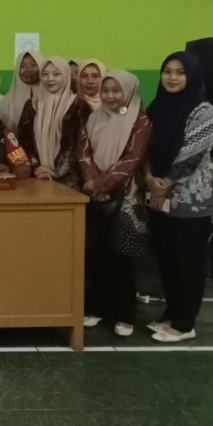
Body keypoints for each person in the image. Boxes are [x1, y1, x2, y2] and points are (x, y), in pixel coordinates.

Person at [143, 52, 213, 343]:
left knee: (189, 261)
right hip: (158, 195)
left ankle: (185, 323)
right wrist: (148, 178)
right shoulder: (156, 107)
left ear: (192, 76)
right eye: (167, 71)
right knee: (167, 258)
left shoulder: (204, 111)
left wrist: (165, 184)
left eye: (180, 72)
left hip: (190, 200)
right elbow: (144, 147)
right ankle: (172, 312)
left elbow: (191, 154)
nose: (172, 77)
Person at [78, 70, 152, 337]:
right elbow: (83, 152)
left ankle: (124, 315)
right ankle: (98, 308)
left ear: (128, 92)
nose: (109, 96)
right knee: (95, 255)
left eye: (116, 90)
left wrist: (102, 184)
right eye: (106, 90)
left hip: (125, 199)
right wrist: (92, 181)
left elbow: (132, 158)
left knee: (120, 258)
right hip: (94, 196)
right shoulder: (93, 118)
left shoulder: (140, 121)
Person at [17, 56, 90, 189]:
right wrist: (37, 168)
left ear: (66, 76)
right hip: (38, 177)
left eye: (56, 74)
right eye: (45, 74)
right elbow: (24, 140)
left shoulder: (79, 105)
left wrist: (57, 171)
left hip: (70, 180)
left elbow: (81, 144)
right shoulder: (31, 105)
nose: (50, 79)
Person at [0, 51, 44, 130]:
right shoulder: (7, 102)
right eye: (22, 66)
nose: (28, 69)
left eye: (33, 65)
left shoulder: (51, 97)